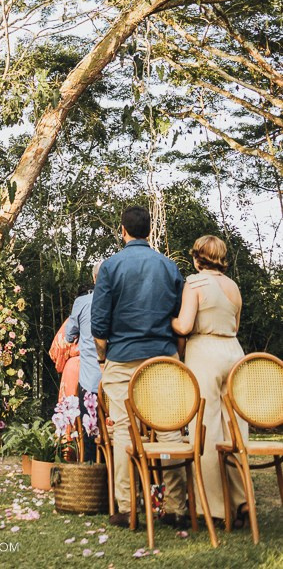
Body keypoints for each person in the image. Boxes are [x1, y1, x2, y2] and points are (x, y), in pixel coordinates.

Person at [91, 206, 186, 528]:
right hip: (162, 359)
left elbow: (99, 325)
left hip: (123, 358)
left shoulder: (111, 266)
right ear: (149, 230)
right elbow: (179, 320)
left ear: (123, 231)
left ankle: (127, 506)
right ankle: (175, 507)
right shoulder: (170, 267)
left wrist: (104, 360)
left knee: (123, 430)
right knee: (170, 429)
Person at [171, 235, 249, 526]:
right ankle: (242, 502)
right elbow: (236, 325)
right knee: (235, 430)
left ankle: (214, 509)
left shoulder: (195, 283)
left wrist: (168, 319)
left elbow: (185, 325)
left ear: (197, 257)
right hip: (234, 352)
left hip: (204, 352)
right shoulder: (234, 287)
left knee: (205, 429)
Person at [65, 261, 103, 462]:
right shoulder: (122, 301)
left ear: (94, 278)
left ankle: (91, 472)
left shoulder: (82, 303)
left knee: (90, 428)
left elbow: (68, 336)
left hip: (90, 378)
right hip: (118, 378)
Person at [49, 318, 81, 400]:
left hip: (74, 368)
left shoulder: (80, 311)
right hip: (103, 366)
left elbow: (58, 348)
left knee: (70, 408)